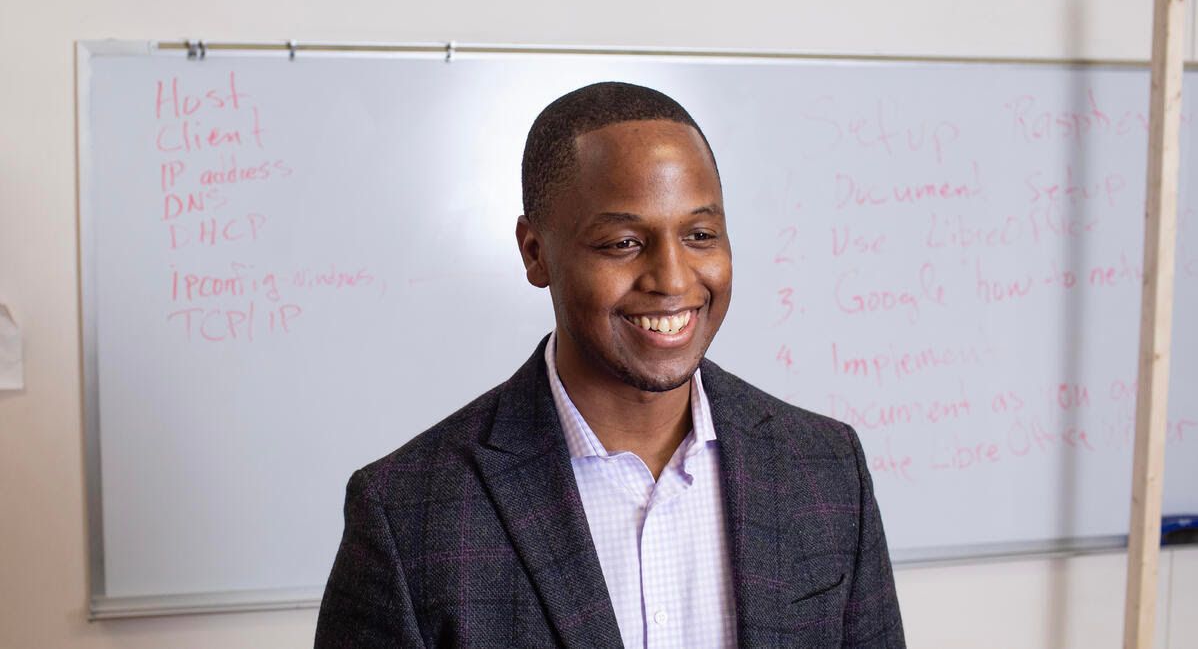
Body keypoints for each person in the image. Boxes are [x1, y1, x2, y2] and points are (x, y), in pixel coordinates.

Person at [314, 82, 905, 648]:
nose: (673, 280)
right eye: (623, 243)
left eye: (700, 234)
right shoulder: (407, 514)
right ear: (535, 252)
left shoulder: (827, 469)